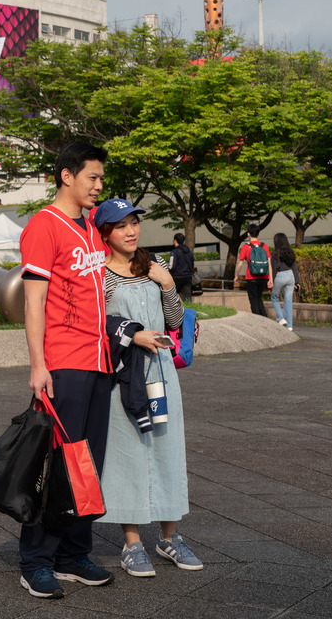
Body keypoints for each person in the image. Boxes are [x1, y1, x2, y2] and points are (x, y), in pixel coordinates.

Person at [17, 141, 115, 599]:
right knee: (56, 465)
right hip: (64, 363)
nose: (99, 186)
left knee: (89, 465)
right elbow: (33, 301)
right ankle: (36, 560)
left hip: (100, 362)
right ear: (66, 176)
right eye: (92, 177)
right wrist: (38, 365)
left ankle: (74, 553)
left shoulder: (94, 226)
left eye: (100, 178)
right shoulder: (43, 226)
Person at [95, 200, 203, 578]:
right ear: (105, 233)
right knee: (129, 451)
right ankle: (132, 542)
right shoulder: (100, 276)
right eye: (121, 225)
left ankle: (170, 537)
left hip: (161, 372)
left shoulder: (154, 268)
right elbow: (96, 326)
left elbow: (174, 320)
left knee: (166, 446)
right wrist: (130, 333)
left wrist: (169, 283)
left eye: (134, 223)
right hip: (123, 375)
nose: (131, 231)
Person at [234, 224, 273, 317]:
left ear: (248, 234)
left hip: (251, 277)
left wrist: (236, 275)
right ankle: (264, 318)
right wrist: (270, 279)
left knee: (253, 300)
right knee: (258, 298)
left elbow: (240, 263)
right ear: (258, 234)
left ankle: (259, 320)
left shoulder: (245, 247)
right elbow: (269, 263)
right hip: (264, 277)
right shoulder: (264, 246)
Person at [270, 233, 300, 330]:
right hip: (290, 275)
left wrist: (272, 281)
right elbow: (295, 267)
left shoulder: (275, 253)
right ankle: (290, 326)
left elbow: (274, 268)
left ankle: (280, 318)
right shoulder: (290, 252)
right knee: (288, 301)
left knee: (274, 297)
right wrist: (297, 282)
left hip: (280, 275)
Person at [169, 233, 196, 302]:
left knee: (171, 296)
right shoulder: (189, 252)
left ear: (175, 241)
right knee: (187, 298)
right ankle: (190, 310)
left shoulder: (174, 252)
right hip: (188, 277)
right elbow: (192, 265)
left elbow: (171, 267)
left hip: (177, 278)